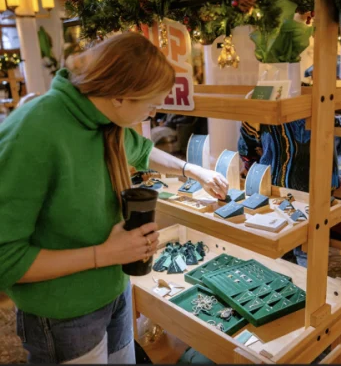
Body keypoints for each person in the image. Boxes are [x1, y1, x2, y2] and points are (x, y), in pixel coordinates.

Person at [0, 33, 229, 364]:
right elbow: (7, 259)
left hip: (114, 290)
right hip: (64, 313)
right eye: (150, 106)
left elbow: (142, 151)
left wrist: (193, 171)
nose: (152, 115)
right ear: (121, 97)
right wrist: (104, 254)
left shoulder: (105, 119)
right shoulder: (34, 132)